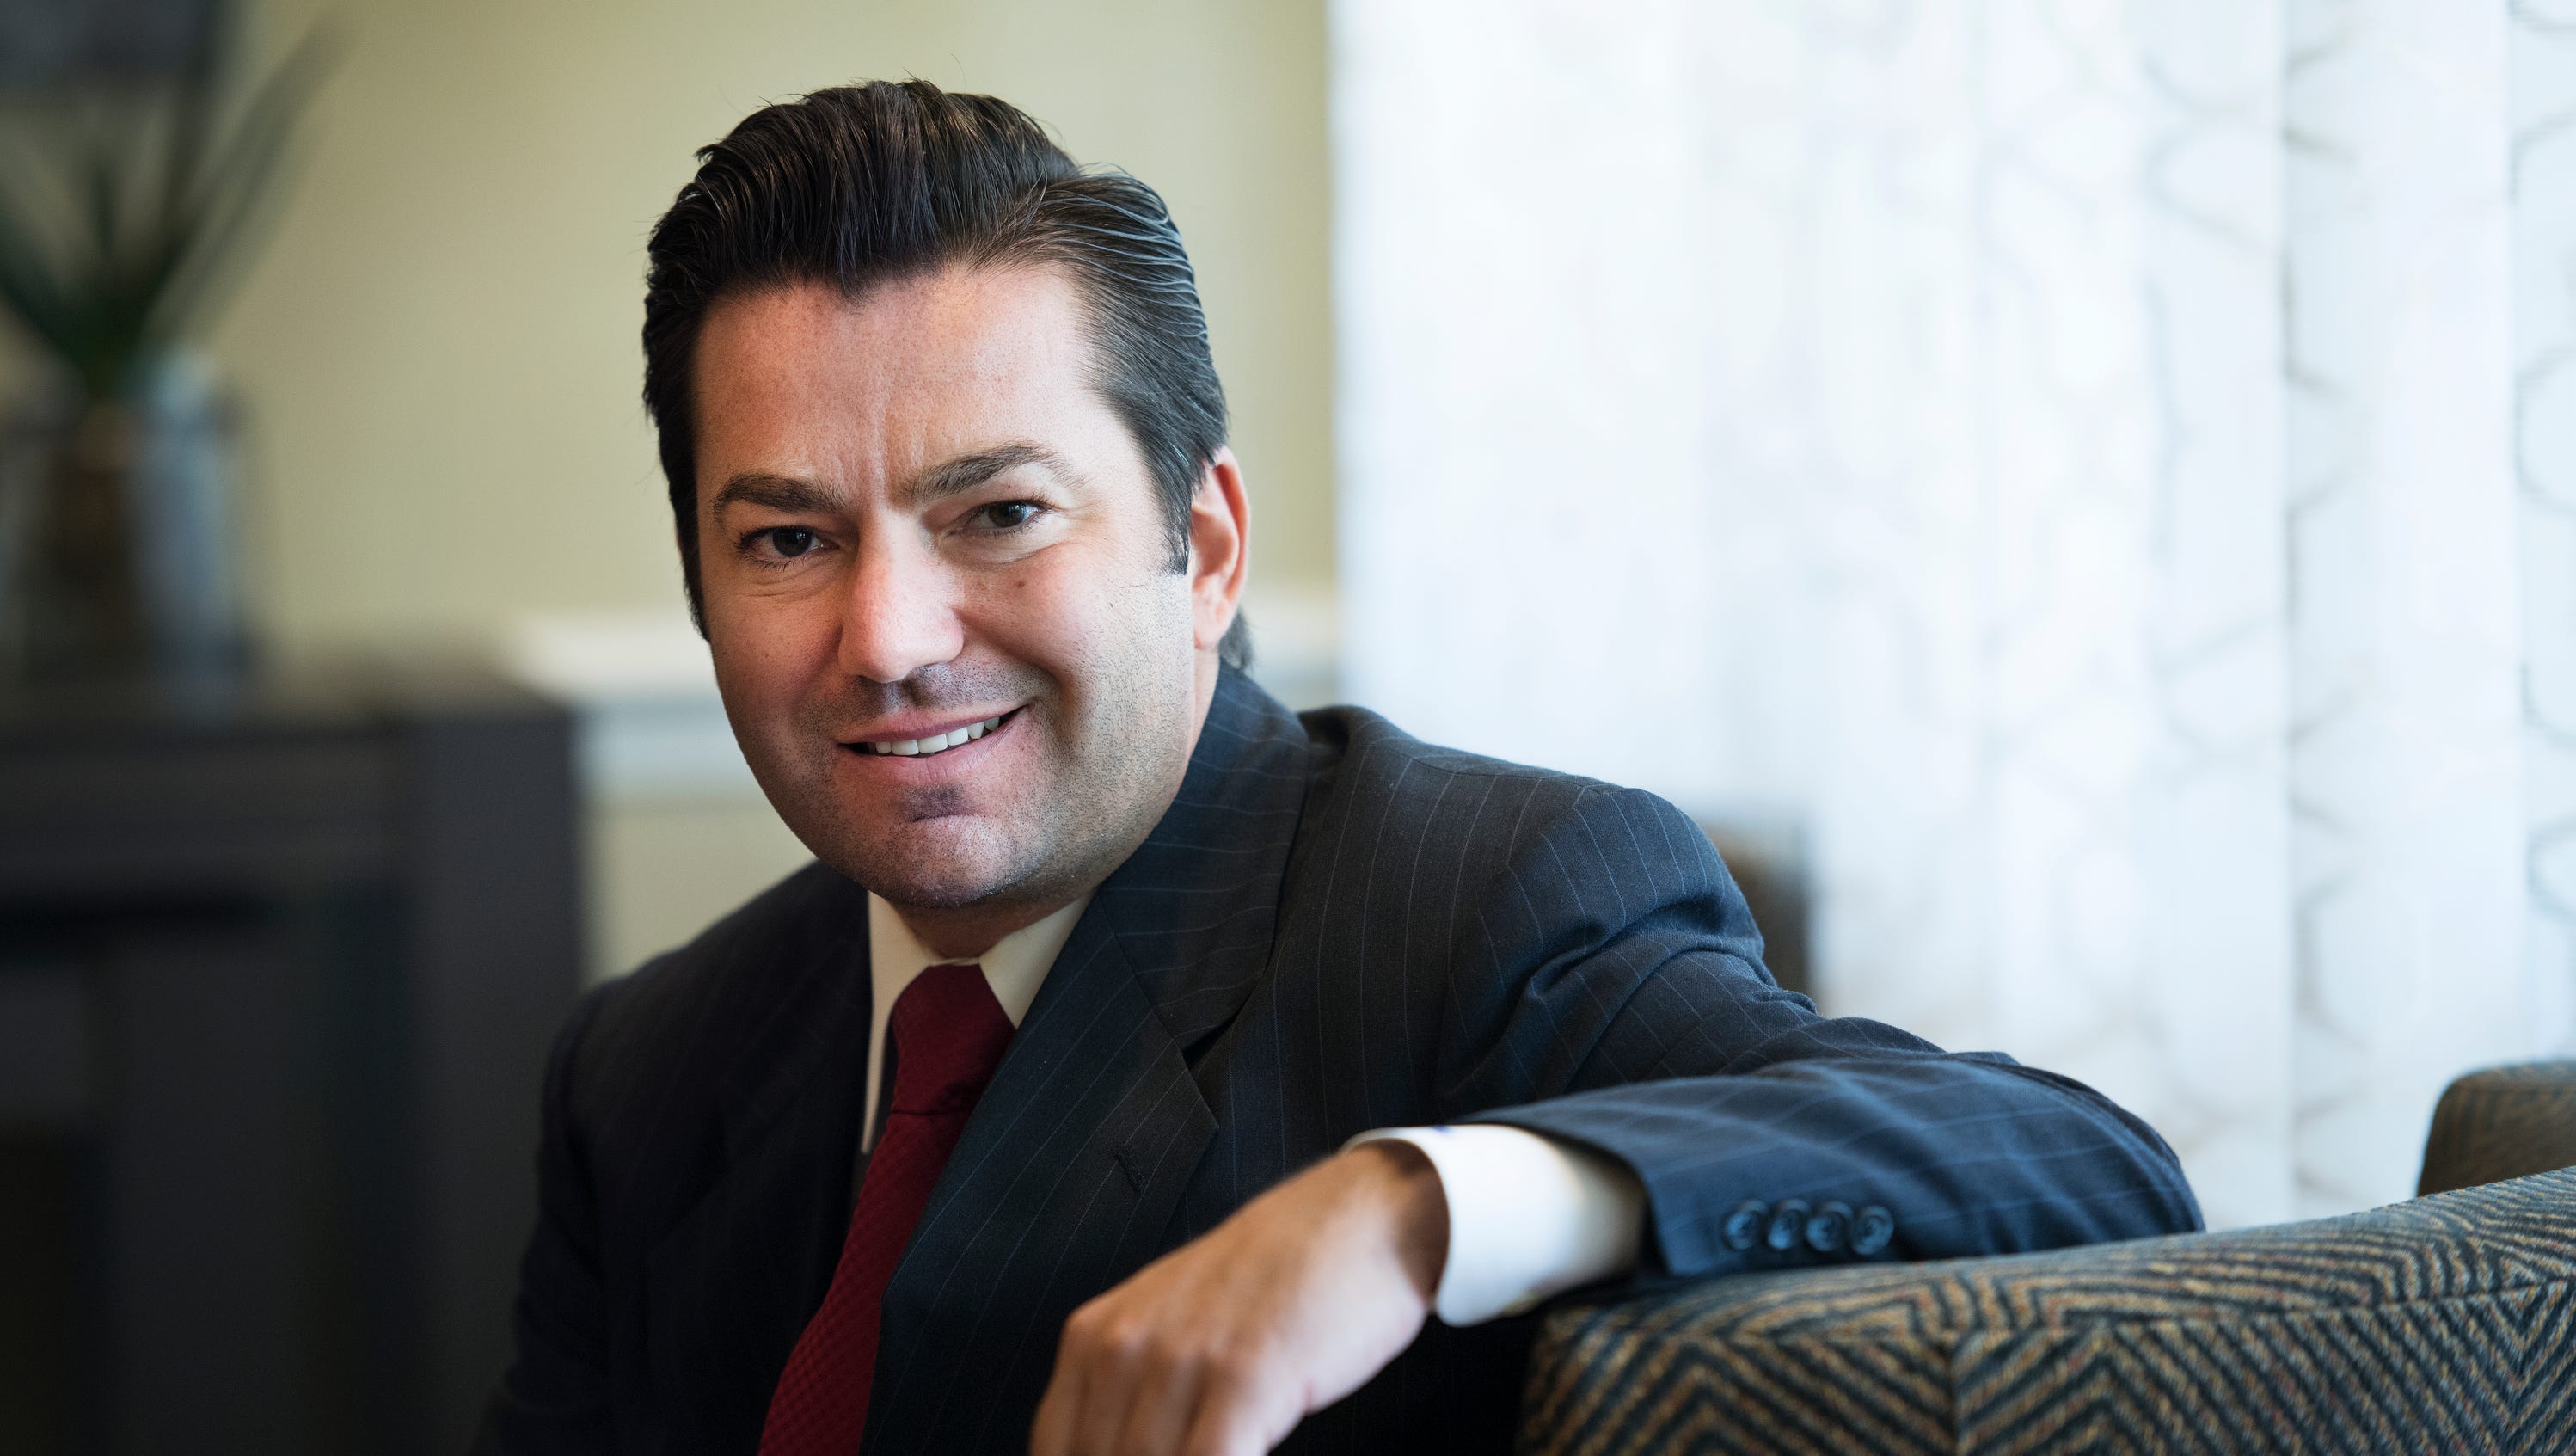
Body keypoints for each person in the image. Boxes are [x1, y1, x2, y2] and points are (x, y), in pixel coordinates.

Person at [475, 80, 2200, 1456]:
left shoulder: (1486, 907)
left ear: (1205, 546)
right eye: (787, 538)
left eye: (998, 513)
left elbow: (2083, 1177)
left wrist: (1414, 1208)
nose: (890, 635)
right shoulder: (644, 1070)